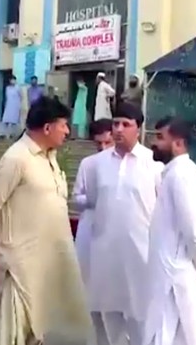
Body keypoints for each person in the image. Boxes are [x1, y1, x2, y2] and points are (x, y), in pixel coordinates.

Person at [0, 96, 89, 345]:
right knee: (8, 336)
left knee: (35, 335)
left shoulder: (50, 157)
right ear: (47, 128)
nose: (67, 131)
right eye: (63, 125)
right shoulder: (16, 158)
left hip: (43, 267)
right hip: (17, 268)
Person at [143, 117, 196, 345]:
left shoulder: (184, 176)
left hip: (178, 279)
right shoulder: (172, 174)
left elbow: (195, 232)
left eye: (160, 137)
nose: (154, 142)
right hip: (168, 276)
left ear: (178, 143)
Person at [86, 103, 162, 345]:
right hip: (105, 253)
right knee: (107, 316)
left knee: (142, 316)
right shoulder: (97, 164)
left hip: (141, 255)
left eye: (126, 124)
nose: (119, 129)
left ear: (138, 129)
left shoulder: (153, 164)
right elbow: (95, 203)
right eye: (115, 123)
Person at [72, 118, 114, 289]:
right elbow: (76, 196)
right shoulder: (88, 164)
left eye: (107, 142)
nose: (103, 148)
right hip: (90, 222)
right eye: (99, 143)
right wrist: (92, 199)